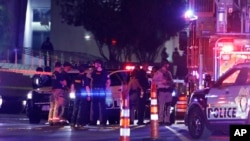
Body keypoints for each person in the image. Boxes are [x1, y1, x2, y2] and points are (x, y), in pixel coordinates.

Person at [90, 59, 110, 126]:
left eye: (96, 64)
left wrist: (106, 89)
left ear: (99, 64)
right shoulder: (93, 72)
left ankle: (103, 121)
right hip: (94, 90)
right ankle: (94, 121)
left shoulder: (105, 72)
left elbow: (108, 81)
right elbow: (91, 81)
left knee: (102, 106)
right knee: (94, 106)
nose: (95, 65)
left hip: (102, 90)